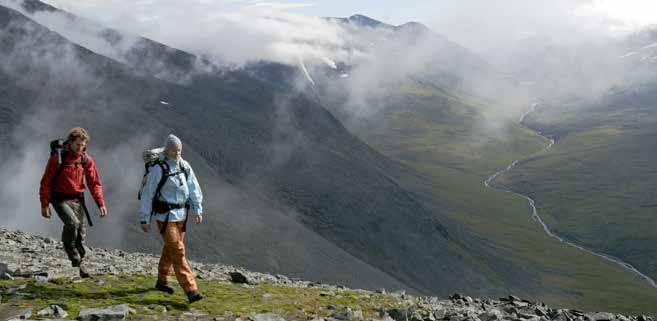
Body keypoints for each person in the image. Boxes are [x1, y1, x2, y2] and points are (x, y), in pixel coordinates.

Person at [139, 134, 204, 303]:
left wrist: (198, 209)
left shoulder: (184, 166)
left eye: (179, 150)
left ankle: (162, 281)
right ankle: (191, 289)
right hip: (165, 216)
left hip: (182, 215)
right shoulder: (158, 169)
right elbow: (148, 193)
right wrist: (144, 218)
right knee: (178, 250)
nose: (177, 153)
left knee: (170, 249)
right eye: (174, 150)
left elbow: (193, 187)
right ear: (167, 150)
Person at [39, 127, 108, 278]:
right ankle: (70, 250)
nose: (80, 148)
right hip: (60, 199)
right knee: (72, 224)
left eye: (83, 145)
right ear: (70, 142)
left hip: (77, 200)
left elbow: (94, 183)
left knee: (80, 235)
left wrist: (100, 203)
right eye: (77, 145)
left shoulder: (85, 160)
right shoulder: (58, 158)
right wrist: (44, 205)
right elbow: (46, 182)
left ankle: (81, 266)